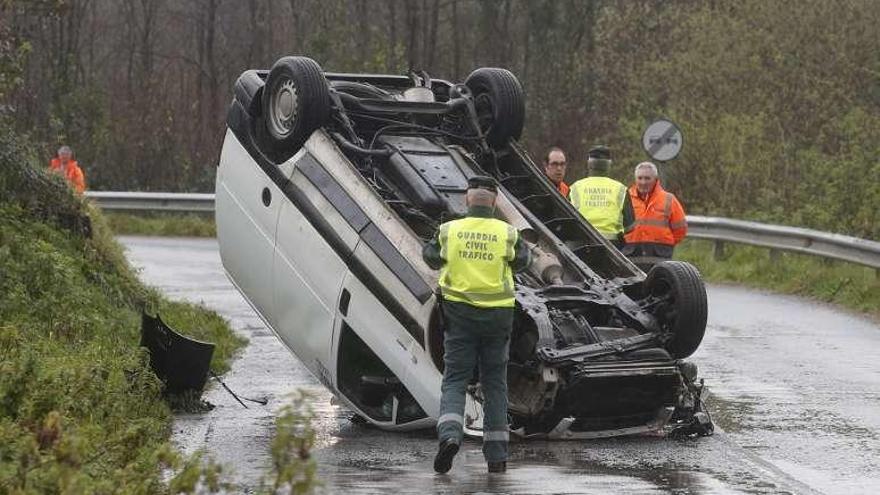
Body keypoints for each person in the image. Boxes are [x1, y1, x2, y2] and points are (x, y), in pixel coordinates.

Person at [422, 175, 531, 475]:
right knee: (495, 383)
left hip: (459, 318)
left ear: (467, 200)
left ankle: (450, 437)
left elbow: (430, 257)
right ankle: (496, 457)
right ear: (495, 202)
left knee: (455, 379)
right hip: (498, 318)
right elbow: (523, 261)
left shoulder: (450, 231)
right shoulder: (507, 233)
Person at [622, 161, 687, 267]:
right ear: (635, 179)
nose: (643, 182)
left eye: (647, 178)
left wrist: (665, 243)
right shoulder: (625, 198)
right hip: (631, 254)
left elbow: (681, 229)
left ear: (655, 179)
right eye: (640, 178)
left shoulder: (669, 199)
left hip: (660, 256)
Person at [568, 145, 634, 248]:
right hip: (612, 248)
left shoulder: (575, 187)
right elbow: (630, 227)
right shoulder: (620, 189)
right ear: (609, 165)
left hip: (581, 247)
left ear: (589, 164)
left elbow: (566, 220)